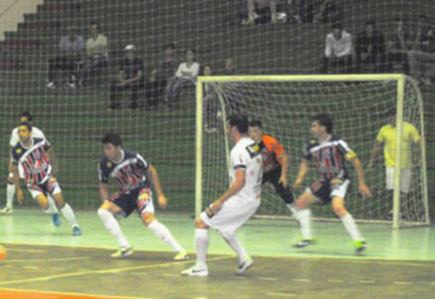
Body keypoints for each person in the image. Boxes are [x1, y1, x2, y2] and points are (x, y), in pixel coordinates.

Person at [182, 114, 262, 277]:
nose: (226, 132)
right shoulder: (254, 146)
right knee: (227, 229)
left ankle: (201, 266)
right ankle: (243, 258)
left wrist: (220, 200)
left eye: (227, 127)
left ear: (233, 129)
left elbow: (239, 182)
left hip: (242, 199)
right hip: (254, 199)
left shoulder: (238, 151)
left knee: (201, 222)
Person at [96, 132, 186, 260]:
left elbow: (152, 171)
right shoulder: (104, 164)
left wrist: (160, 195)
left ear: (118, 147)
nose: (106, 151)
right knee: (103, 211)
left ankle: (179, 250)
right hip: (125, 194)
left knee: (147, 219)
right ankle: (125, 247)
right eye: (104, 148)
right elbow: (103, 185)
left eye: (109, 148)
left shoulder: (132, 157)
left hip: (141, 190)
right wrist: (108, 203)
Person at [291, 113, 370, 253]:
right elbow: (305, 163)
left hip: (339, 179)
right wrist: (300, 178)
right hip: (324, 181)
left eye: (314, 126)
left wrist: (361, 183)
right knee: (301, 202)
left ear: (323, 127)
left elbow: (355, 161)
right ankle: (307, 238)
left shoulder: (338, 143)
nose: (312, 129)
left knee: (338, 208)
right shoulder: (311, 145)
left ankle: (359, 240)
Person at [11, 123, 81, 236]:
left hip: (47, 177)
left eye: (23, 131)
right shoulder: (16, 151)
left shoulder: (40, 141)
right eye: (19, 131)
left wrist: (54, 165)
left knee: (60, 200)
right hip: (33, 183)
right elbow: (14, 170)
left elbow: (51, 150)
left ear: (30, 132)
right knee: (45, 205)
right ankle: (54, 212)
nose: (21, 133)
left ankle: (75, 226)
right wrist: (18, 189)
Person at [367, 108, 421, 220]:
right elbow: (377, 145)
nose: (390, 119)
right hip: (391, 163)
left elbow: (420, 142)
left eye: (393, 116)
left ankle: (401, 211)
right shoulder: (384, 129)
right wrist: (372, 161)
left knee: (404, 190)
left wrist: (421, 158)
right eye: (388, 117)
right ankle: (392, 211)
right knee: (392, 188)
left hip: (406, 164)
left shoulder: (409, 127)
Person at [248, 119, 298, 218]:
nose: (253, 134)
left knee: (284, 190)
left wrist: (283, 176)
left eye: (255, 131)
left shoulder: (270, 142)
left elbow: (284, 157)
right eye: (250, 131)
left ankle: (297, 212)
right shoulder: (249, 145)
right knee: (247, 190)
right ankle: (244, 213)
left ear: (261, 131)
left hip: (274, 170)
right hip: (260, 172)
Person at [0, 111, 47, 214]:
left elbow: (44, 149)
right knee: (11, 177)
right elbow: (12, 147)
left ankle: (49, 207)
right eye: (21, 122)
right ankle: (9, 206)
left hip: (35, 163)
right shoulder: (15, 132)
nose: (22, 124)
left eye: (25, 122)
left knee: (43, 182)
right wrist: (11, 162)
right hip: (21, 162)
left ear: (31, 123)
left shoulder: (38, 133)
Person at [109, 44, 144, 110]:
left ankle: (132, 106)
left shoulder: (139, 61)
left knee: (134, 85)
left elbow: (138, 76)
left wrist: (127, 81)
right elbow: (121, 73)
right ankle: (114, 105)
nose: (129, 54)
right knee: (113, 83)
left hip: (135, 81)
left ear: (134, 52)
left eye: (131, 52)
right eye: (128, 52)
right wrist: (121, 80)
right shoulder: (123, 61)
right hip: (126, 81)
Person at [407, 14, 435, 84]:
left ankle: (426, 76)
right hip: (423, 54)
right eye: (420, 22)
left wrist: (432, 36)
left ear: (427, 22)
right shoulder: (415, 32)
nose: (422, 24)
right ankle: (417, 78)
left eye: (423, 22)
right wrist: (418, 35)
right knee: (411, 53)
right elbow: (414, 48)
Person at [76, 21, 108, 87]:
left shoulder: (103, 38)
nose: (93, 30)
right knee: (82, 60)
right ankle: (77, 81)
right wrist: (96, 49)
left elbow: (102, 51)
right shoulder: (88, 41)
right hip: (92, 59)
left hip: (102, 58)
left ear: (98, 29)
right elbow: (88, 53)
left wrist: (92, 51)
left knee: (88, 65)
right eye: (92, 29)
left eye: (95, 28)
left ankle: (81, 82)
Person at [145, 43, 175, 108]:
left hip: (168, 79)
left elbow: (175, 72)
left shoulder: (176, 61)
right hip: (158, 78)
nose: (169, 51)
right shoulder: (161, 61)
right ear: (164, 51)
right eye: (167, 50)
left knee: (158, 85)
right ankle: (149, 103)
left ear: (173, 51)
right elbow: (155, 70)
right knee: (149, 84)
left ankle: (155, 104)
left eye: (170, 49)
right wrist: (153, 76)